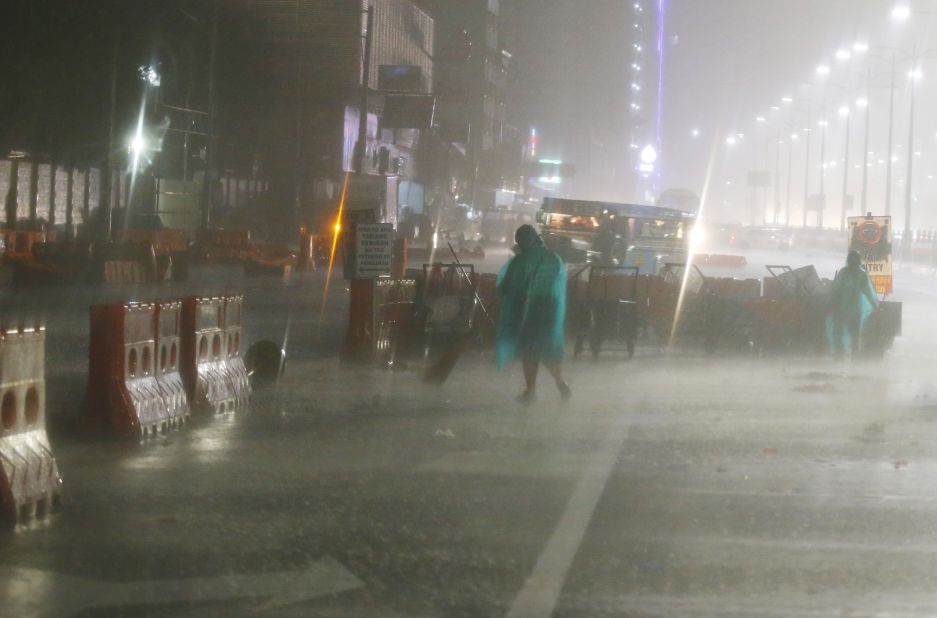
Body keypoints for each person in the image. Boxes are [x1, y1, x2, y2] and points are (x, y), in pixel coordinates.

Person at [496, 224, 571, 402]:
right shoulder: (553, 257)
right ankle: (560, 382)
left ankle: (530, 391)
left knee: (530, 350)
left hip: (531, 308)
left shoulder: (522, 260)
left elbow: (508, 285)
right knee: (547, 347)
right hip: (551, 308)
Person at [827, 250, 879, 355]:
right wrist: (874, 304)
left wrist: (831, 302)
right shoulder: (860, 274)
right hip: (853, 308)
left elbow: (836, 289)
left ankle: (841, 353)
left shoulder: (846, 273)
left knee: (841, 331)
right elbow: (868, 292)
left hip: (844, 307)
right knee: (852, 333)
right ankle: (852, 354)